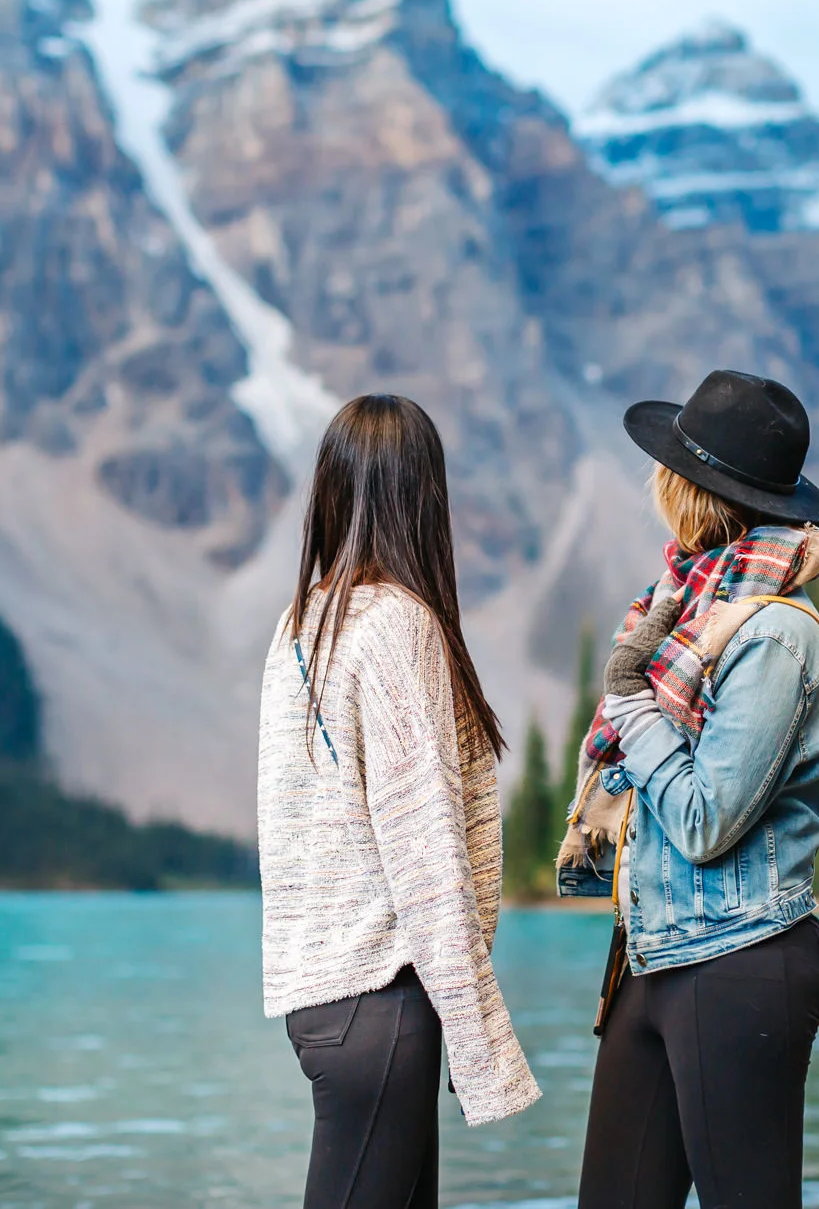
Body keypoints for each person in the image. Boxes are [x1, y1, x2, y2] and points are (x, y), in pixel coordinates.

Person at [559, 369, 819, 1209]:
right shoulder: (684, 610)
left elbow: (704, 817)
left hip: (741, 960)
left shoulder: (776, 635)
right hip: (653, 957)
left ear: (687, 490)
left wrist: (629, 702)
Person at [258, 393, 541, 1209]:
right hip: (383, 997)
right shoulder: (398, 626)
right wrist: (479, 1040)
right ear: (424, 498)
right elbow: (424, 849)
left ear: (334, 492)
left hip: (319, 1000)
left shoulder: (301, 622)